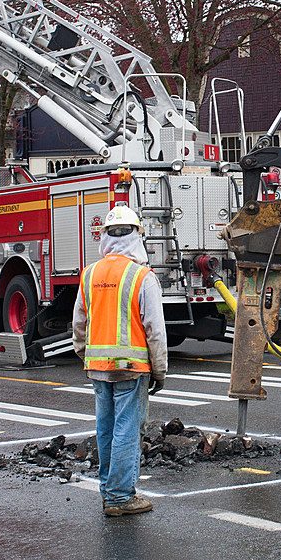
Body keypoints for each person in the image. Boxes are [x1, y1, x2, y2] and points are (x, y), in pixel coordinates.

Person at [73, 205, 167, 517]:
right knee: (126, 430)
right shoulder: (142, 276)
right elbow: (155, 330)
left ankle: (109, 491)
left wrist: (85, 355)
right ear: (137, 236)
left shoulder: (90, 274)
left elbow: (79, 324)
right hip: (131, 368)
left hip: (98, 368)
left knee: (106, 429)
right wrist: (160, 370)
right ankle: (120, 496)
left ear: (106, 237)